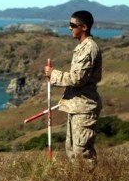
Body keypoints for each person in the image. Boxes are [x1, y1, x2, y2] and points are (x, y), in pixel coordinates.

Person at [44, 10, 102, 166]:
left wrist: (53, 74)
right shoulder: (82, 47)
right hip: (76, 106)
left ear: (84, 27)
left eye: (72, 25)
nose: (69, 28)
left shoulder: (89, 49)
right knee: (71, 149)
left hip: (84, 107)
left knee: (82, 151)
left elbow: (77, 79)